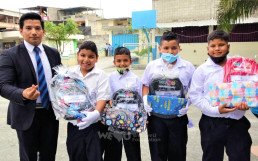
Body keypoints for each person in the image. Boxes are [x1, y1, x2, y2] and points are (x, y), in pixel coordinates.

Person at [0, 12, 61, 161]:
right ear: (21, 31)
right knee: (28, 157)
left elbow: (60, 81)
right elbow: (3, 85)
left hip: (50, 114)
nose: (33, 32)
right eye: (28, 28)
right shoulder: (9, 55)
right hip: (26, 113)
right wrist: (23, 94)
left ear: (43, 31)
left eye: (37, 28)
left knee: (49, 155)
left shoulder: (53, 53)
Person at [189, 30, 252, 161]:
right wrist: (215, 110)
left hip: (237, 123)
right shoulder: (201, 71)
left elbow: (249, 89)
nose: (217, 49)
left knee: (240, 157)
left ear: (228, 46)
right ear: (207, 48)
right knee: (211, 157)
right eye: (213, 46)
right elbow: (195, 96)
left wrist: (247, 103)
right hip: (211, 124)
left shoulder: (240, 67)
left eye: (221, 45)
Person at [141, 31, 195, 161]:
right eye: (166, 48)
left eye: (174, 48)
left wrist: (188, 104)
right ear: (160, 49)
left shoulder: (188, 67)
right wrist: (145, 100)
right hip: (156, 117)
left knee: (178, 152)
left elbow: (194, 89)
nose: (170, 52)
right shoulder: (152, 66)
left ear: (179, 48)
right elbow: (145, 85)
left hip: (178, 117)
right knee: (157, 152)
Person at [66, 41, 110, 161]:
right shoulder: (69, 73)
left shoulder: (101, 75)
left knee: (95, 156)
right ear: (77, 55)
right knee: (75, 155)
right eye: (83, 55)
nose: (86, 60)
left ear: (97, 58)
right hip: (75, 124)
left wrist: (95, 113)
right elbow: (63, 94)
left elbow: (103, 97)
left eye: (91, 56)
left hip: (95, 125)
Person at [100, 47, 142, 161]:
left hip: (131, 122)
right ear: (114, 62)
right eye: (118, 61)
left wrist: (142, 118)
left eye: (125, 60)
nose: (122, 64)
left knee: (133, 152)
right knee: (112, 152)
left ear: (130, 61)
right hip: (113, 122)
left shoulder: (136, 80)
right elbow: (106, 97)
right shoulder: (109, 78)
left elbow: (140, 100)